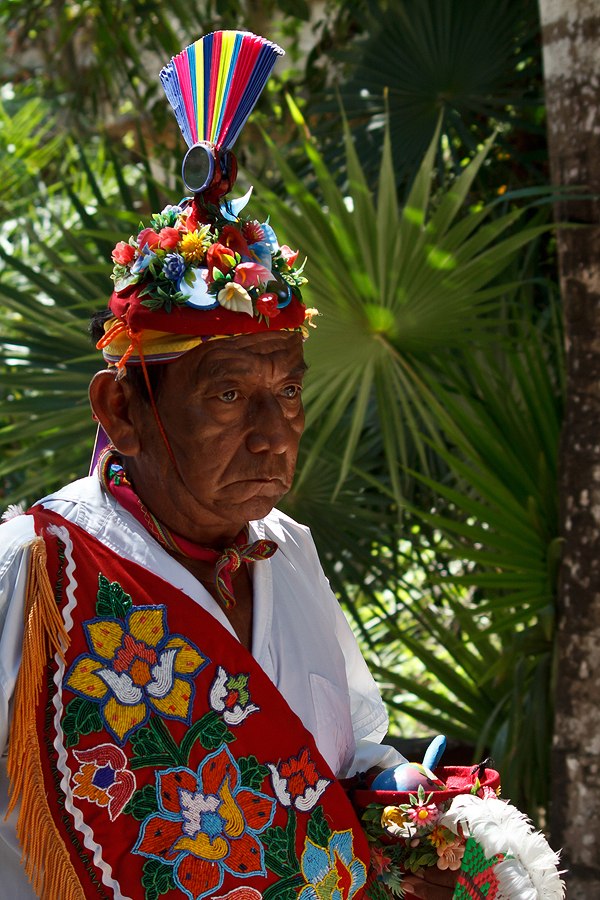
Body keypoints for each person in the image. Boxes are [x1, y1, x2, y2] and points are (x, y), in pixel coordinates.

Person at [0, 31, 462, 900]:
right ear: (122, 411)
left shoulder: (288, 550)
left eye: (287, 392)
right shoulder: (34, 570)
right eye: (226, 395)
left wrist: (404, 807)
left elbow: (352, 749)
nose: (272, 433)